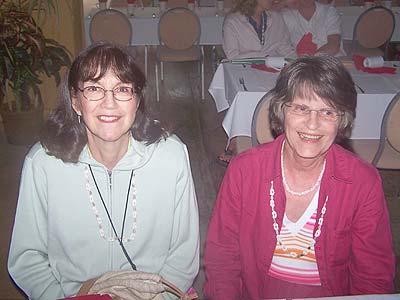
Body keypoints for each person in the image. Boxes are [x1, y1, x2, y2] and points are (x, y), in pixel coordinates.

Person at [8, 42, 200, 300]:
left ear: (137, 100)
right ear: (76, 102)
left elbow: (184, 254)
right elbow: (27, 258)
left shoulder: (171, 156)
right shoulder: (43, 163)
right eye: (94, 89)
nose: (109, 103)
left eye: (122, 89)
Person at [204, 55, 395, 299]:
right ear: (281, 111)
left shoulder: (362, 182)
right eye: (302, 108)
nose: (312, 124)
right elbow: (223, 257)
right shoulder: (244, 170)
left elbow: (372, 277)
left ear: (342, 119)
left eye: (328, 112)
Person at [222, 0, 295, 60]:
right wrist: (264, 57)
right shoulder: (232, 22)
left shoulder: (276, 17)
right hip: (243, 73)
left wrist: (300, 62)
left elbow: (285, 49)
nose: (275, 1)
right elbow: (232, 57)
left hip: (273, 73)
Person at [281, 0, 346, 56]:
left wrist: (311, 59)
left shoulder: (329, 11)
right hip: (301, 63)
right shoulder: (286, 15)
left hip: (333, 60)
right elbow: (282, 47)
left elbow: (333, 46)